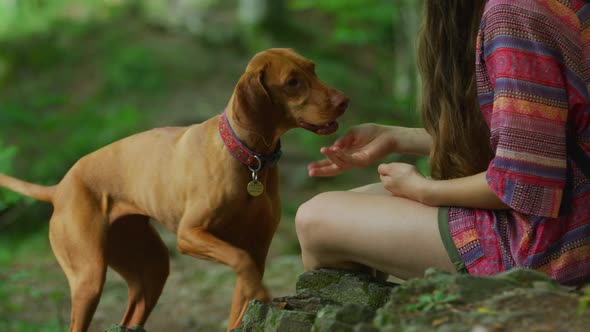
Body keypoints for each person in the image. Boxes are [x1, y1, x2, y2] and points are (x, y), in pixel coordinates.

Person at [295, 0, 590, 286]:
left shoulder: (513, 11)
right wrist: (399, 137)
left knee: (314, 219)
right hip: (569, 223)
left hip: (552, 247)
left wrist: (425, 190)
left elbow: (523, 184)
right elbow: (541, 140)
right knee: (361, 199)